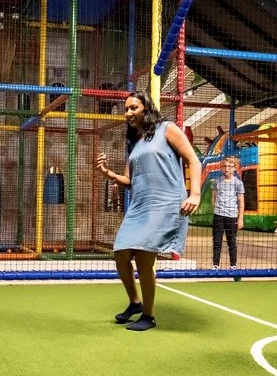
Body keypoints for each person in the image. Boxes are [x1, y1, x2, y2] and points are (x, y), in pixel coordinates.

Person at [95, 91, 202, 331]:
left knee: (144, 257)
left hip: (164, 202)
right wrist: (107, 174)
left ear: (146, 108)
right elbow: (129, 180)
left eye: (133, 107)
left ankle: (149, 315)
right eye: (126, 109)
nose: (128, 113)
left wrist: (194, 194)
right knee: (121, 252)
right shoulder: (134, 143)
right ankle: (134, 303)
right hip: (140, 205)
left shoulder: (167, 129)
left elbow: (194, 161)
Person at [211, 156, 245, 269]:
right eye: (224, 166)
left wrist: (240, 219)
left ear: (234, 168)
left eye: (229, 166)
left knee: (232, 242)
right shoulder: (216, 181)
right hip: (218, 215)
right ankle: (215, 265)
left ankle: (233, 266)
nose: (226, 169)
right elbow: (214, 198)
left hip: (231, 216)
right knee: (217, 242)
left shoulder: (238, 183)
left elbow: (241, 201)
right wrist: (216, 209)